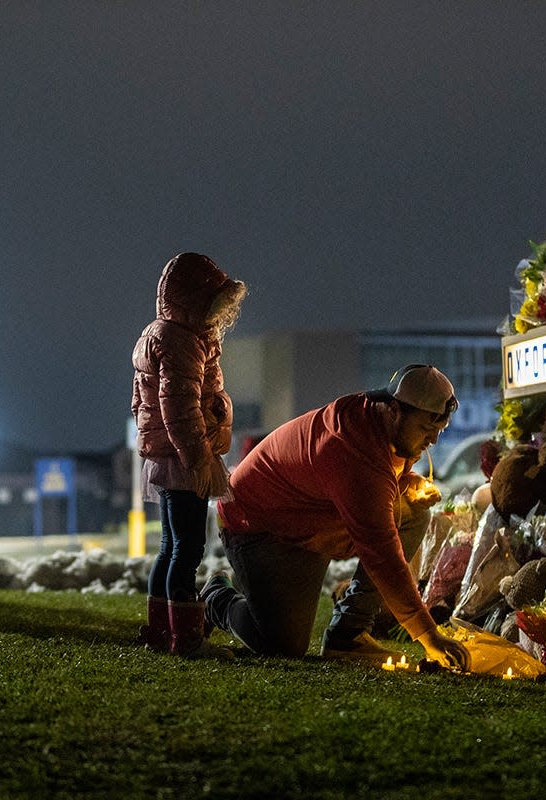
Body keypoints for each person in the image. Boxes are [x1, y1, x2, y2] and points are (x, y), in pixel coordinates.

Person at [201, 364, 471, 671]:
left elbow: (375, 488)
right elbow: (382, 555)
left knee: (414, 514)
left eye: (439, 429)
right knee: (282, 645)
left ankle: (348, 634)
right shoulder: (353, 451)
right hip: (257, 524)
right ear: (395, 410)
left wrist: (406, 485)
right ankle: (216, 597)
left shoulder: (381, 422)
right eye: (426, 428)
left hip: (311, 518)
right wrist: (429, 636)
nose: (433, 440)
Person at [131, 252, 247, 658]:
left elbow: (144, 407)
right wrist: (198, 459)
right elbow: (178, 408)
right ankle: (186, 639)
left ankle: (162, 631)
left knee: (170, 547)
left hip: (166, 458)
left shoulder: (161, 335)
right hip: (185, 461)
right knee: (188, 549)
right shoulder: (181, 341)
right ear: (197, 300)